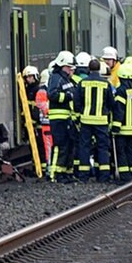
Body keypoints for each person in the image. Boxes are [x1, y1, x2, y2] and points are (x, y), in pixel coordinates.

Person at [75, 58, 115, 182]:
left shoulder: (82, 83)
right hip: (101, 121)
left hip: (86, 121)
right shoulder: (105, 83)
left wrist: (81, 111)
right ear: (99, 69)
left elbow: (76, 101)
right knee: (102, 147)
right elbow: (111, 102)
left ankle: (83, 176)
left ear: (88, 69)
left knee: (85, 147)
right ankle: (103, 176)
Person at [46, 51, 78, 183]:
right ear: (63, 65)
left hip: (67, 118)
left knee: (69, 145)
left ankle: (66, 173)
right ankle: (54, 174)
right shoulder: (56, 77)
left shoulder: (66, 79)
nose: (71, 70)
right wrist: (68, 97)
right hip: (58, 119)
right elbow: (52, 94)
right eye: (69, 67)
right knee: (60, 146)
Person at [112, 62, 132, 184]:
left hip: (123, 128)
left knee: (121, 152)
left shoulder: (120, 91)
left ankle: (125, 176)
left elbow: (119, 110)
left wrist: (115, 126)